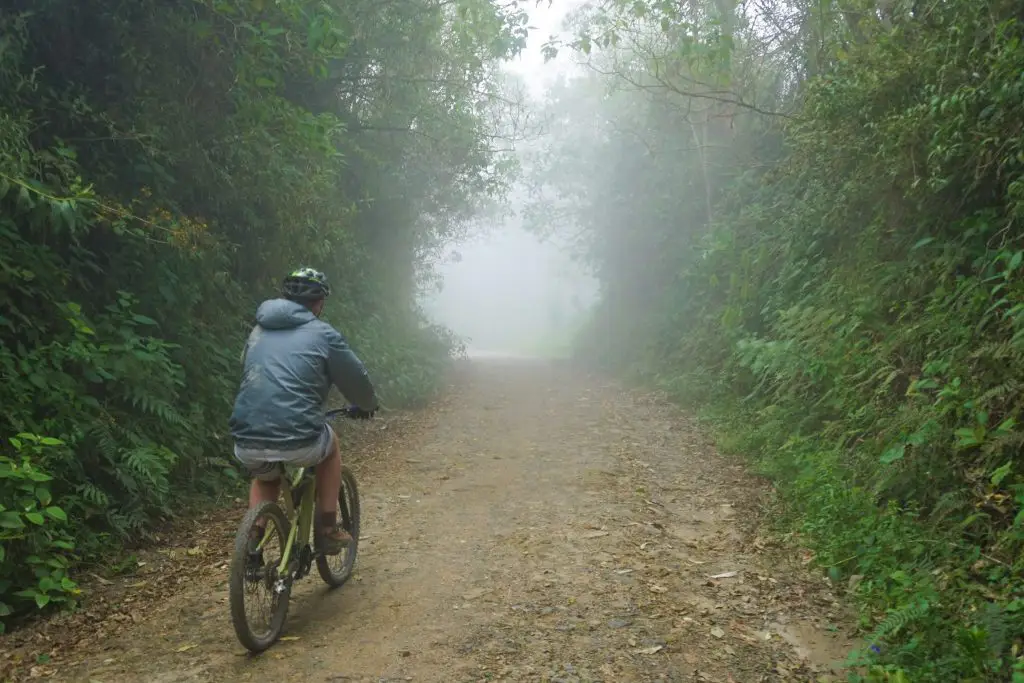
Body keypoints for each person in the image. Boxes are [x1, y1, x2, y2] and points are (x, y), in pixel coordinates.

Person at [229, 267, 378, 555]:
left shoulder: (258, 330)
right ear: (320, 302)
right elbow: (354, 377)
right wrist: (367, 404)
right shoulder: (323, 333)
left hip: (247, 438)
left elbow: (248, 370)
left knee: (265, 476)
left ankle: (251, 545)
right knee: (331, 445)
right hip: (299, 439)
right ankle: (327, 529)